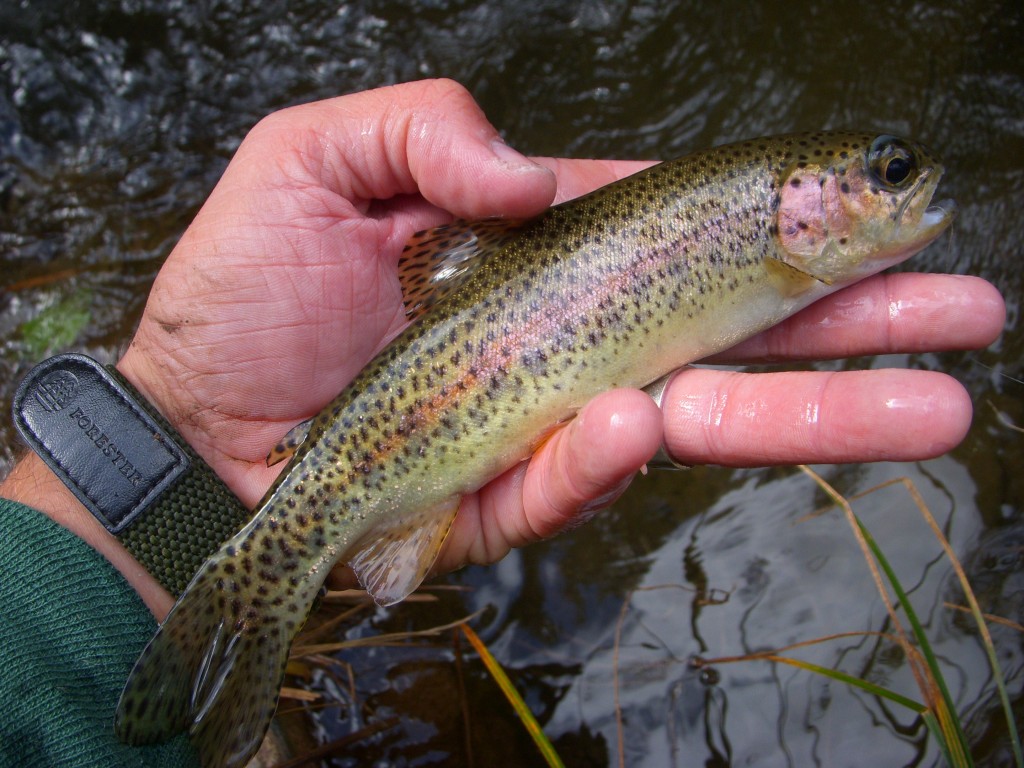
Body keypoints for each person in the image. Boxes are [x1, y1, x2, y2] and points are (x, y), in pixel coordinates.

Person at [0, 79, 1005, 767]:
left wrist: (164, 446)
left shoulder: (772, 233)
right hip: (389, 431)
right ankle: (244, 590)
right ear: (801, 200)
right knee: (278, 564)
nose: (901, 187)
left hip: (398, 418)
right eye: (884, 174)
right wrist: (185, 415)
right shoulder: (771, 229)